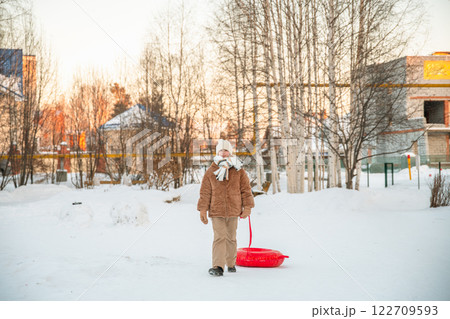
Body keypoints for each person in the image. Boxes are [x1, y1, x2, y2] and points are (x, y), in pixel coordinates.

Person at [197, 139, 255, 276]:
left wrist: (247, 207)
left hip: (234, 209)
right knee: (219, 237)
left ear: (230, 152)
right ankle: (218, 266)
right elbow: (205, 192)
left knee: (231, 237)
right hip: (216, 210)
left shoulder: (238, 170)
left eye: (226, 150)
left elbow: (246, 190)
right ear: (218, 152)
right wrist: (203, 209)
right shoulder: (211, 171)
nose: (224, 153)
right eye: (221, 151)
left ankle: (231, 263)